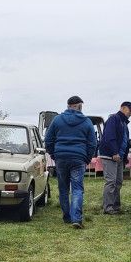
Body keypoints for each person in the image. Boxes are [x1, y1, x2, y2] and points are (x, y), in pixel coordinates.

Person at [44, 96, 97, 228]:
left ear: (68, 106)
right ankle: (76, 219)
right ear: (79, 106)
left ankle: (66, 216)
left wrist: (54, 154)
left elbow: (48, 139)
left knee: (63, 188)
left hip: (61, 157)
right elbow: (92, 143)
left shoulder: (57, 120)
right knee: (77, 189)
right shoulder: (86, 122)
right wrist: (87, 158)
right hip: (78, 158)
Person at [98, 101, 131, 214]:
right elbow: (110, 137)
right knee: (111, 182)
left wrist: (129, 144)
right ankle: (108, 207)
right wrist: (114, 152)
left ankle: (115, 206)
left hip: (119, 157)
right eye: (130, 110)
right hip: (110, 156)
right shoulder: (113, 119)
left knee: (118, 182)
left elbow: (123, 140)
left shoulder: (123, 123)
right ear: (122, 108)